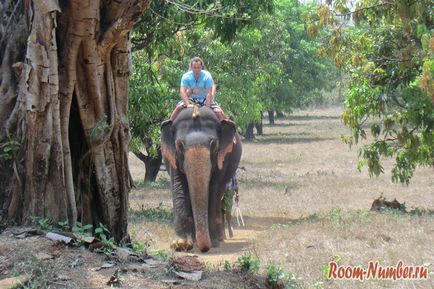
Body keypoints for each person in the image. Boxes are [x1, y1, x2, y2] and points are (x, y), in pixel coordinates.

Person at [221, 173, 238, 238]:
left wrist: (237, 195)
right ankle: (222, 231)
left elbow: (235, 183)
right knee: (220, 211)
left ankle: (229, 226)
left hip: (229, 191)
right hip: (220, 191)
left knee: (228, 211)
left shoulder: (232, 170)